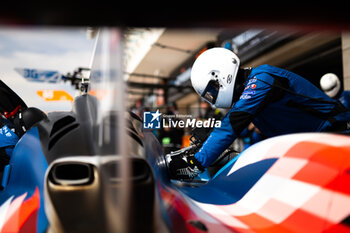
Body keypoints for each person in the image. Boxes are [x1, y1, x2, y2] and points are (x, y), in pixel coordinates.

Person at [169, 47, 350, 179]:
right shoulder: (251, 94)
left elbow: (233, 123)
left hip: (337, 131)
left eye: (211, 91)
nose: (212, 97)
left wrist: (196, 162)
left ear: (221, 77)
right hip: (312, 143)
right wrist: (209, 141)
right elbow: (234, 121)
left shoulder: (262, 79)